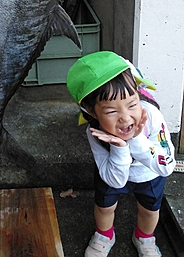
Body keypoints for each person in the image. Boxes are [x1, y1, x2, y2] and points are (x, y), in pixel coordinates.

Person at [66, 51, 175, 257]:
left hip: (149, 173)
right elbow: (115, 181)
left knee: (150, 210)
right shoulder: (96, 133)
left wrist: (135, 139)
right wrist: (120, 148)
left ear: (138, 93)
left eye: (132, 104)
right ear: (91, 111)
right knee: (105, 207)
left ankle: (144, 237)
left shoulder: (151, 116)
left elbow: (166, 165)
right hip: (112, 171)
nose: (126, 118)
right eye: (111, 111)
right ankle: (104, 234)